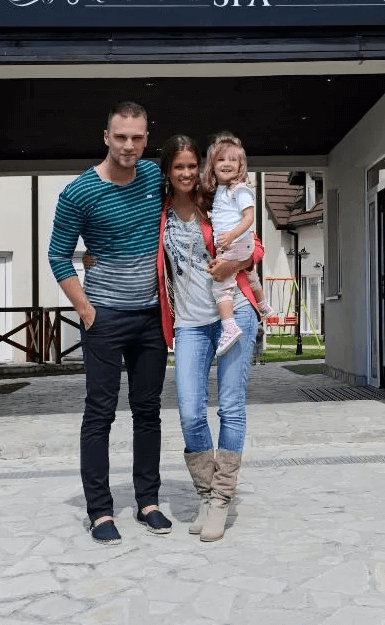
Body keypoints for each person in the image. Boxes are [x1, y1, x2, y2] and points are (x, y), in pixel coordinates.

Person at [48, 101, 172, 546]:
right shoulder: (79, 193)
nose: (128, 145)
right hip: (104, 317)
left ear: (146, 138)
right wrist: (87, 312)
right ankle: (100, 511)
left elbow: (195, 192)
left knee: (148, 412)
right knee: (99, 413)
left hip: (150, 317)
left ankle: (148, 502)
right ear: (106, 137)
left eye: (137, 137)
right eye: (121, 136)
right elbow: (58, 256)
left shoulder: (155, 177)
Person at [157, 134, 264, 542]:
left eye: (191, 165)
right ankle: (204, 492)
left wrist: (233, 264)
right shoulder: (160, 211)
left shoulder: (215, 199)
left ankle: (220, 499)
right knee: (189, 411)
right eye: (178, 166)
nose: (186, 173)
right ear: (168, 171)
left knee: (231, 407)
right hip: (189, 322)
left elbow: (255, 246)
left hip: (234, 310)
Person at [200, 133, 273, 357]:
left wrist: (231, 236)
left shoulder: (239, 190)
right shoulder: (222, 191)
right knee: (252, 275)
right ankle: (264, 305)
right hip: (240, 243)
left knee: (221, 286)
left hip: (237, 242)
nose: (227, 164)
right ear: (212, 166)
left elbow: (249, 218)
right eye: (221, 159)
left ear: (241, 165)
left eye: (233, 160)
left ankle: (229, 326)